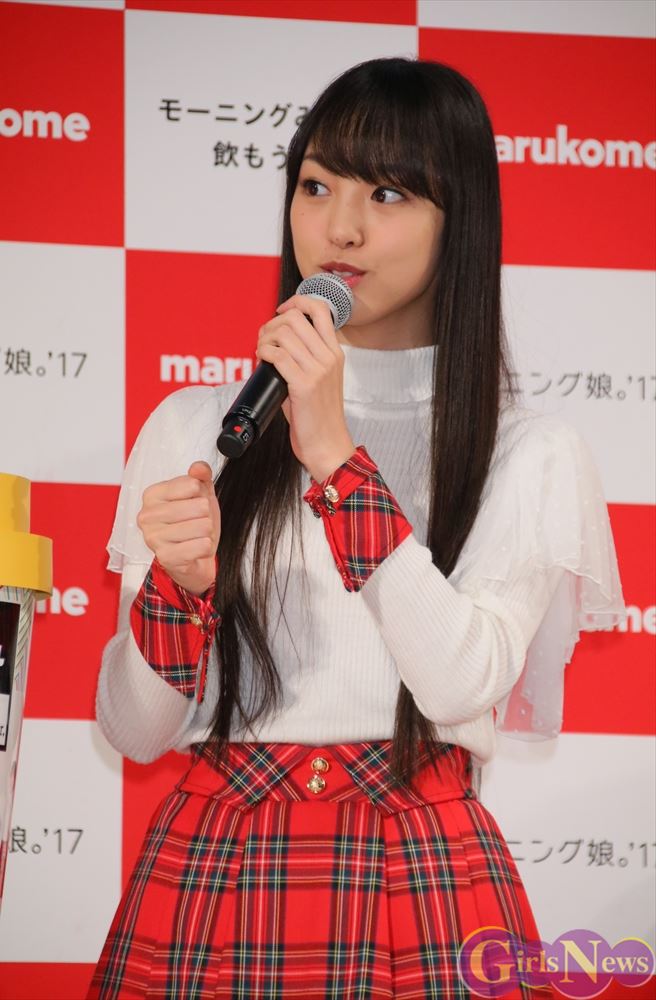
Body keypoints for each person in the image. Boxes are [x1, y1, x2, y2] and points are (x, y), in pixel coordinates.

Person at [87, 57, 626, 1000]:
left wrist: (337, 459)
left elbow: (460, 680)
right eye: (316, 185)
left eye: (386, 193)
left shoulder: (527, 450)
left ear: (459, 219)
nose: (339, 227)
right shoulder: (197, 427)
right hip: (220, 866)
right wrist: (182, 586)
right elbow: (134, 731)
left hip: (419, 874)